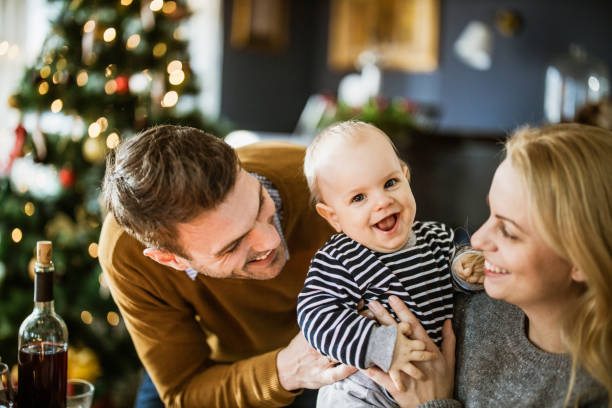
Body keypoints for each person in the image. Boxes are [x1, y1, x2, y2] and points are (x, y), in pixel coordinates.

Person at [98, 125, 356, 407]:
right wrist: (282, 371)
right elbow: (184, 386)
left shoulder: (325, 179)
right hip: (213, 367)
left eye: (260, 203)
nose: (271, 241)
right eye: (232, 246)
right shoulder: (125, 254)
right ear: (170, 259)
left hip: (329, 346)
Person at [363, 123, 611, 407]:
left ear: (581, 259)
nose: (478, 239)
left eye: (508, 231)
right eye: (491, 213)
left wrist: (432, 404)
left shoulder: (594, 393)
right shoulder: (471, 308)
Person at [297, 121, 481, 407]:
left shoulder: (435, 236)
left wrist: (466, 267)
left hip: (432, 379)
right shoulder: (339, 258)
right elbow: (314, 316)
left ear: (406, 177)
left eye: (390, 183)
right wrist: (381, 346)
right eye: (359, 197)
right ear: (332, 216)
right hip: (363, 388)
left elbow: (456, 270)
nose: (382, 201)